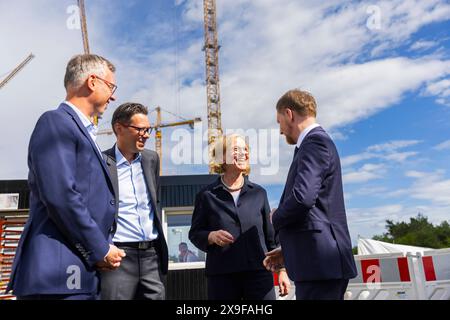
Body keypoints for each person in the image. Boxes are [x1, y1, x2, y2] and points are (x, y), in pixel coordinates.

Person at [6, 54, 125, 300]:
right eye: (111, 86)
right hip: (57, 278)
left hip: (79, 275)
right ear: (92, 82)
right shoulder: (56, 122)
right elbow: (61, 196)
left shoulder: (80, 130)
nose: (113, 96)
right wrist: (100, 249)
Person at [263, 89, 357, 300]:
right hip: (319, 262)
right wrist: (287, 250)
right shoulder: (316, 143)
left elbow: (303, 198)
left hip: (320, 263)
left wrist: (275, 217)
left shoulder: (314, 143)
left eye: (279, 122)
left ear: (289, 114)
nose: (280, 131)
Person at [189, 134, 290, 300]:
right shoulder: (206, 195)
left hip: (259, 275)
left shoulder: (259, 193)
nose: (243, 153)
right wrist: (211, 236)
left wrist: (282, 271)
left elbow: (271, 237)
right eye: (236, 149)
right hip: (222, 277)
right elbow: (195, 233)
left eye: (245, 149)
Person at [101, 102, 168, 300]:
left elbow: (155, 201)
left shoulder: (152, 159)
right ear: (119, 128)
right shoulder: (100, 162)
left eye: (148, 129)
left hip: (152, 256)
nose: (146, 134)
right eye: (140, 129)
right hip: (118, 258)